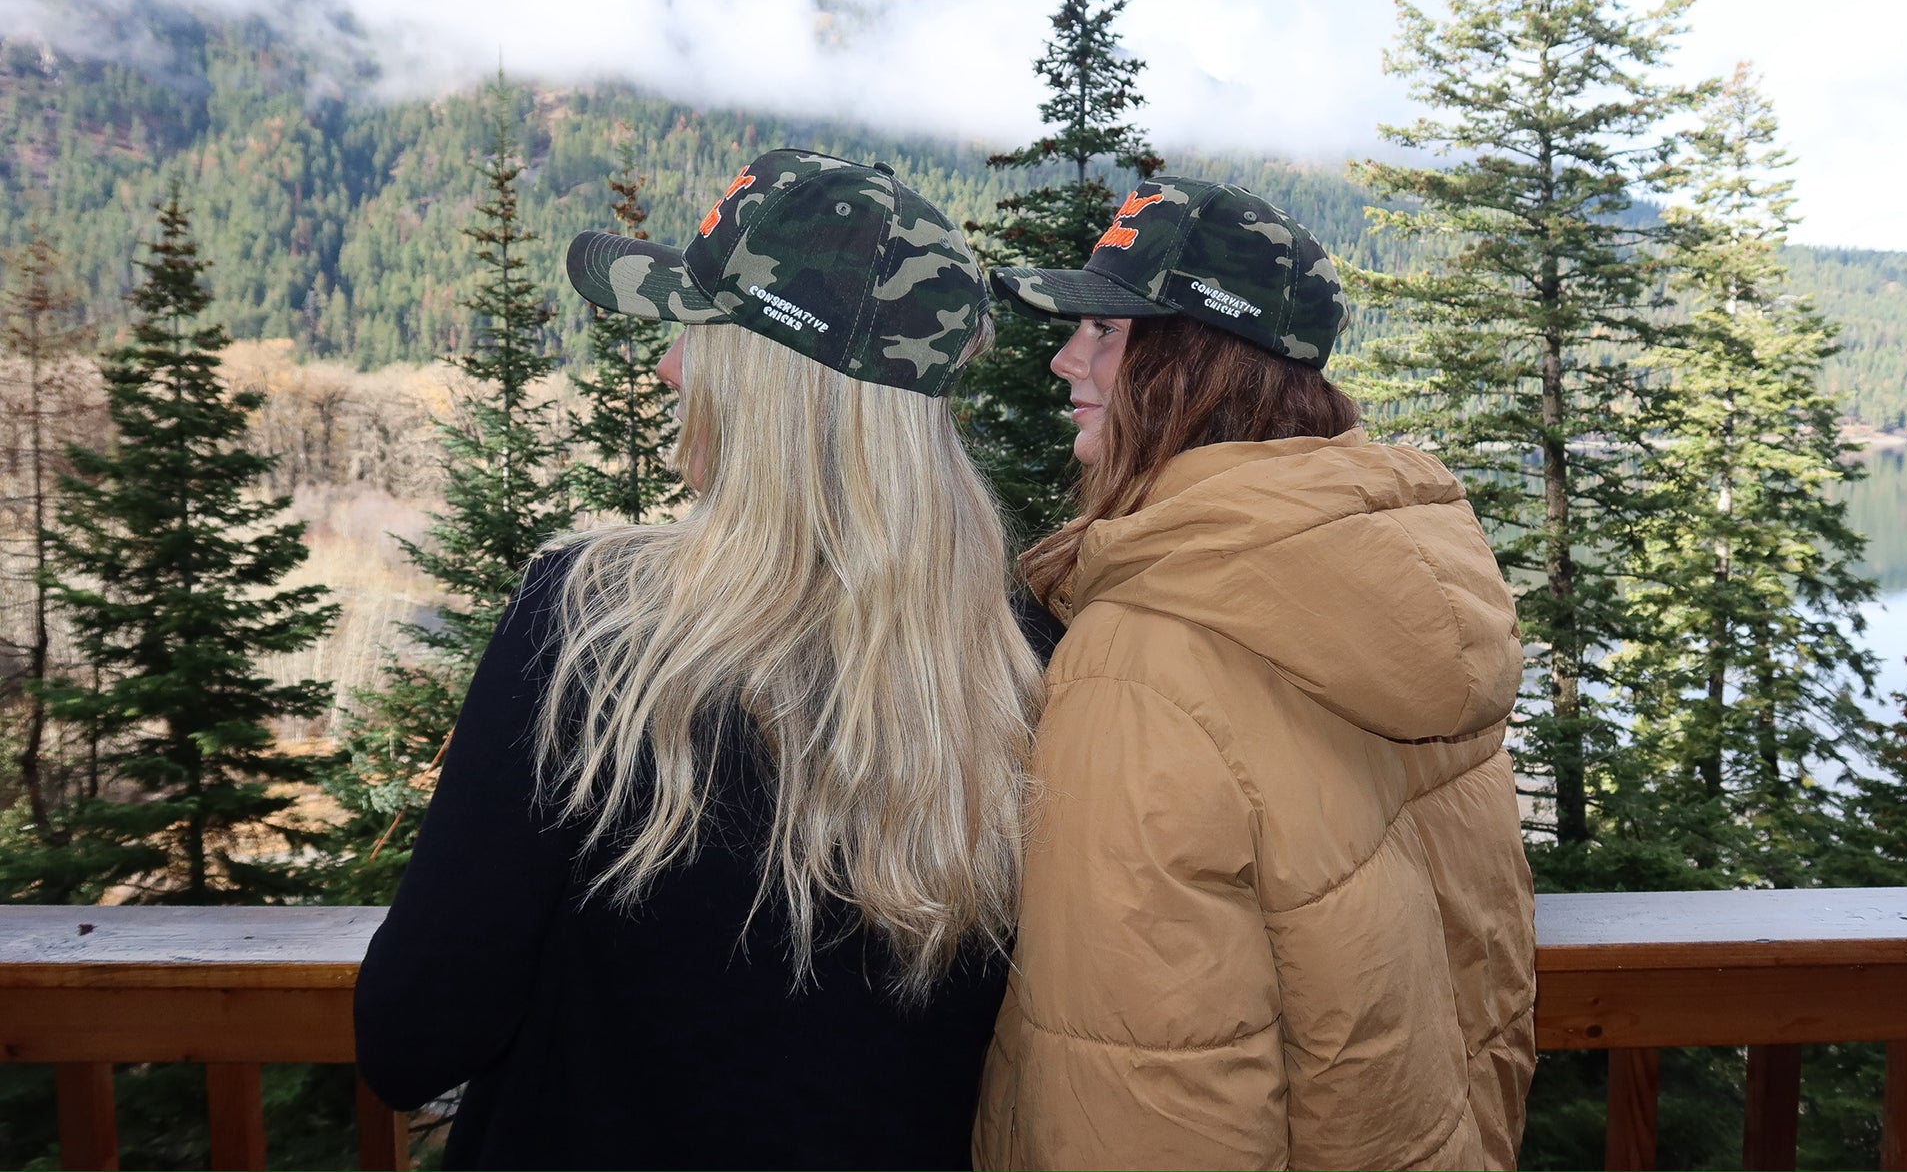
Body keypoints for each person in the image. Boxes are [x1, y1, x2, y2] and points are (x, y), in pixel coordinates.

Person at [354, 150, 1049, 1170]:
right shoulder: (1026, 659)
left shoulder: (590, 631)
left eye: (696, 334)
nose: (669, 367)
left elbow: (413, 1036)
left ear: (766, 378)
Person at [973, 177, 1537, 1170]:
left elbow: (1145, 1091)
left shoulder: (1141, 663)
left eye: (1104, 331)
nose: (1066, 358)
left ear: (1192, 361)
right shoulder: (1404, 587)